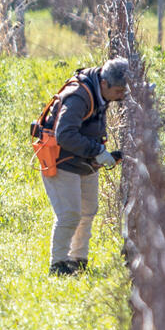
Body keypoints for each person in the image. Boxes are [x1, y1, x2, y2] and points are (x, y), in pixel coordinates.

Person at [39, 57, 129, 276]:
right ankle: (58, 265)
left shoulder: (102, 91)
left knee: (88, 212)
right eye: (119, 91)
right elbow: (65, 135)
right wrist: (97, 151)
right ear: (105, 83)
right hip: (62, 161)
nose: (122, 96)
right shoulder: (79, 97)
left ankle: (78, 260)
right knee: (69, 215)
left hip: (84, 161)